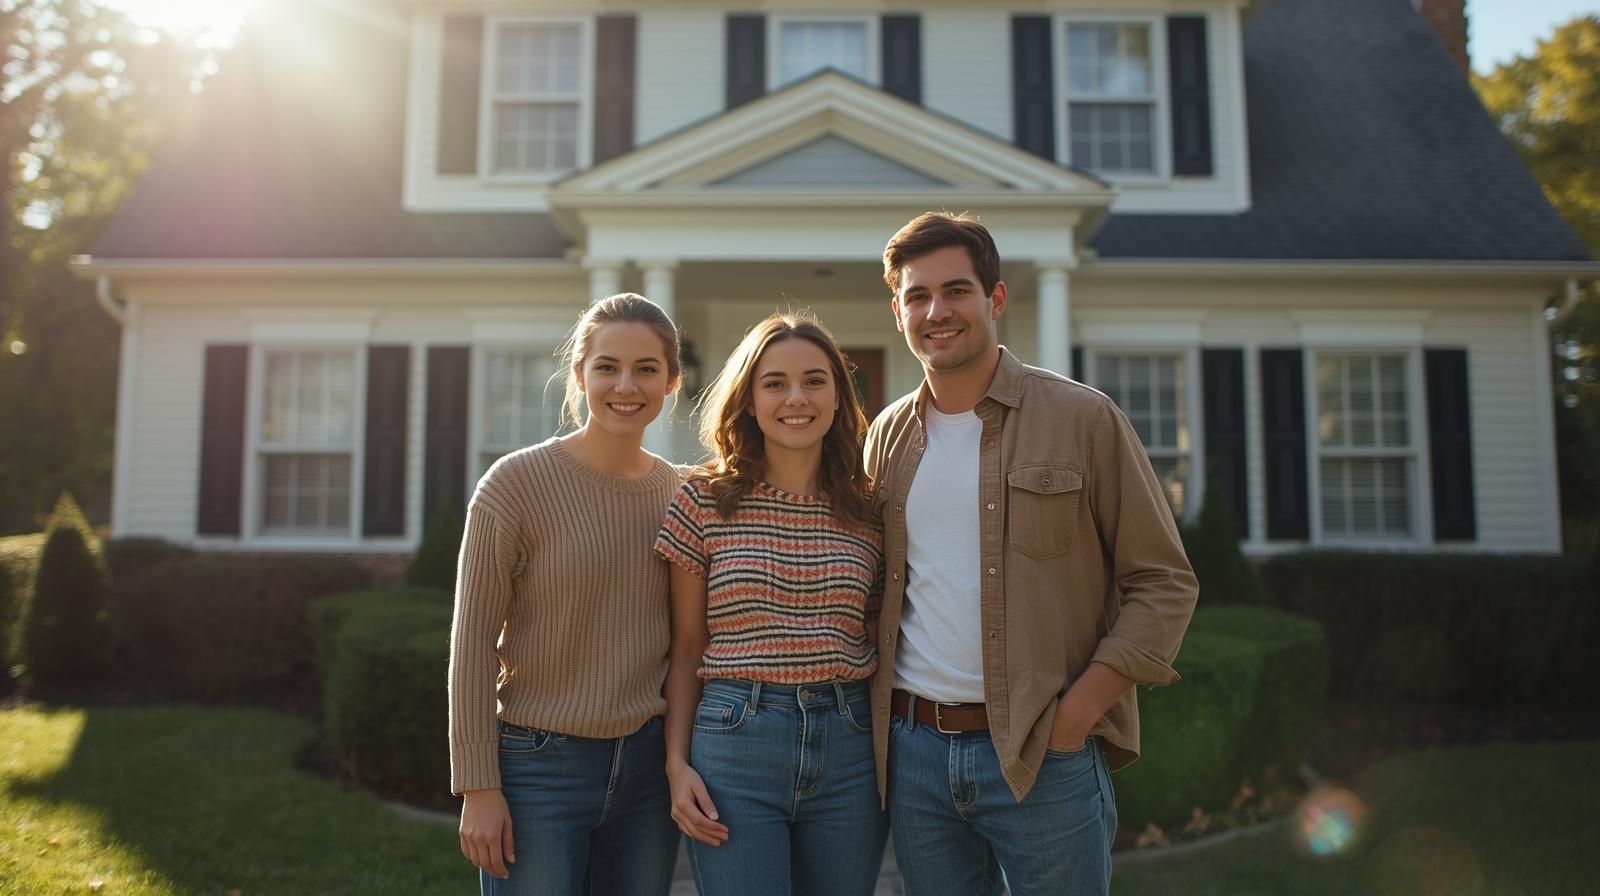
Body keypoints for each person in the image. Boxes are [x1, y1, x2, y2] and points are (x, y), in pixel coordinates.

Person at [864, 212, 1199, 895]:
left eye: (956, 290)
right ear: (897, 311)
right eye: (917, 295)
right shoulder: (886, 438)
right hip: (917, 756)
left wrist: (1076, 717)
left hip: (1042, 754)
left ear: (995, 299)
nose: (937, 311)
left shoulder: (1083, 419)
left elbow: (1164, 583)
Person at [448, 293, 684, 896]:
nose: (625, 385)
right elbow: (471, 641)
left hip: (645, 775)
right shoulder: (514, 486)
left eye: (646, 369)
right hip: (537, 769)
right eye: (606, 366)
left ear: (672, 382)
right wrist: (478, 787)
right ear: (579, 377)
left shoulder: (682, 495)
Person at [655, 312, 888, 896]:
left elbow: (882, 633)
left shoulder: (870, 510)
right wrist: (676, 764)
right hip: (735, 743)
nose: (796, 398)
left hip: (849, 744)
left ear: (839, 396)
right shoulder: (703, 500)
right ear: (750, 401)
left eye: (814, 380)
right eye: (774, 382)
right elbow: (686, 647)